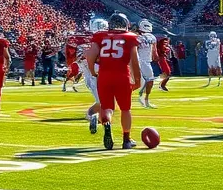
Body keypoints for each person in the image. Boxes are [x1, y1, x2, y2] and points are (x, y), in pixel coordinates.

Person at [84, 12, 141, 150]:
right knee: (125, 109)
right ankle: (126, 140)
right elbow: (135, 61)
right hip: (122, 75)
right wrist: (138, 80)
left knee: (107, 107)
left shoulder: (100, 36)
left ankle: (107, 123)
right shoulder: (130, 38)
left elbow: (90, 56)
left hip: (104, 76)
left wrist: (92, 71)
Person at [135, 19, 158, 109]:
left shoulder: (138, 37)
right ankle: (145, 100)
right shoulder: (151, 37)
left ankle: (143, 98)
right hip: (143, 61)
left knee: (144, 82)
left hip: (139, 61)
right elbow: (155, 52)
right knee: (149, 80)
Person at [62, 27, 89, 92]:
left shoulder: (75, 43)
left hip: (77, 60)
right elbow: (72, 51)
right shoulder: (69, 45)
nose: (72, 41)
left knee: (81, 72)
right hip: (73, 61)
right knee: (75, 72)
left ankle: (74, 84)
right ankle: (66, 84)